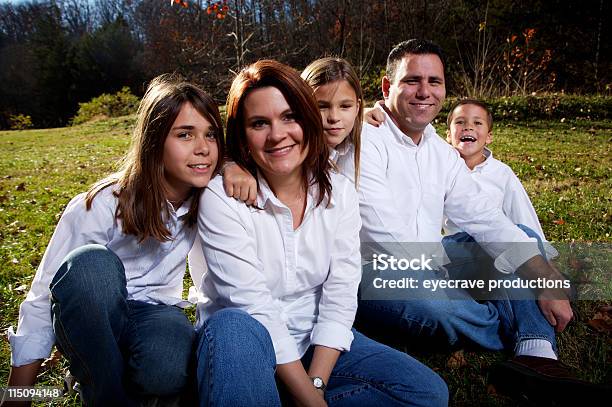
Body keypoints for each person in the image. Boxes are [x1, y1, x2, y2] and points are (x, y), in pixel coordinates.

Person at [352, 39, 599, 403]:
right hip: (374, 274)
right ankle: (516, 321)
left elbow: (484, 217)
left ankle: (536, 355)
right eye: (412, 81)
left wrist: (544, 277)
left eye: (434, 82)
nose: (425, 92)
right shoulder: (362, 138)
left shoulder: (439, 151)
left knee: (520, 236)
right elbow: (384, 237)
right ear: (388, 87)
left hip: (434, 258)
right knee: (432, 301)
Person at [193, 59, 448, 407]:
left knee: (427, 393)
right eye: (259, 123)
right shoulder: (223, 198)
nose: (277, 134)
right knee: (233, 326)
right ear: (242, 134)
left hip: (313, 342)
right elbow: (256, 307)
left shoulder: (339, 192)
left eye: (289, 117)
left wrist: (315, 383)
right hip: (245, 343)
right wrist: (312, 401)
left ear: (306, 120)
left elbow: (341, 293)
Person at [5, 75, 225, 406]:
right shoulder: (103, 202)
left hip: (154, 313)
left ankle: (106, 374)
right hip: (93, 311)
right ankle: (103, 390)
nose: (203, 148)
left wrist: (234, 169)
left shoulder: (207, 200)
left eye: (211, 135)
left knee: (165, 368)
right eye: (184, 135)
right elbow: (42, 295)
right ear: (154, 141)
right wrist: (17, 395)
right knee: (90, 264)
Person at [220, 57, 363, 204]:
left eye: (289, 117)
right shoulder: (226, 194)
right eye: (322, 107)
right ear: (309, 107)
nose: (334, 117)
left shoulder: (343, 186)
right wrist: (228, 164)